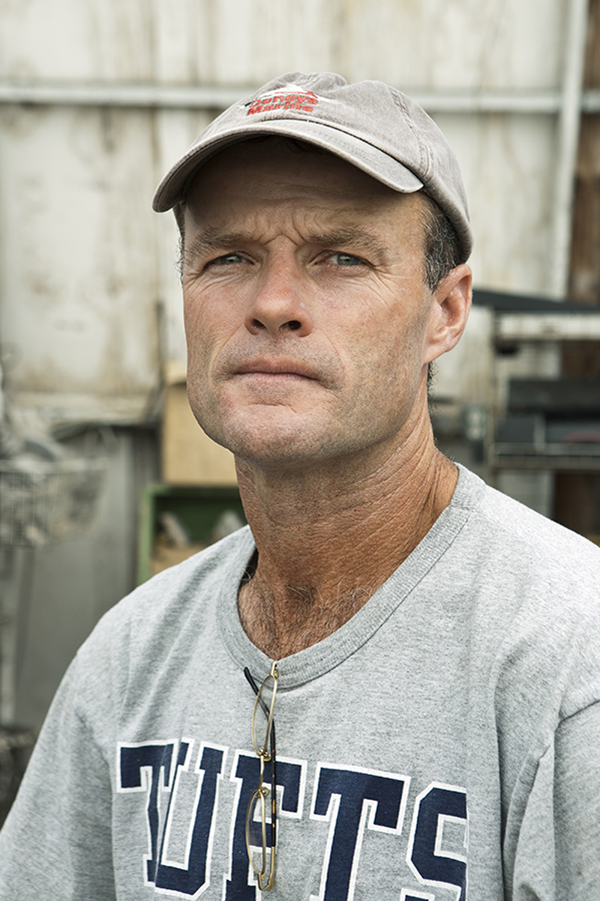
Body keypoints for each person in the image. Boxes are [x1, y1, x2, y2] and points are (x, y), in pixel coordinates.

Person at [1, 71, 600, 901]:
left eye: (342, 257)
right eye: (229, 257)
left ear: (445, 312)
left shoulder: (568, 661)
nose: (273, 303)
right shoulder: (130, 657)